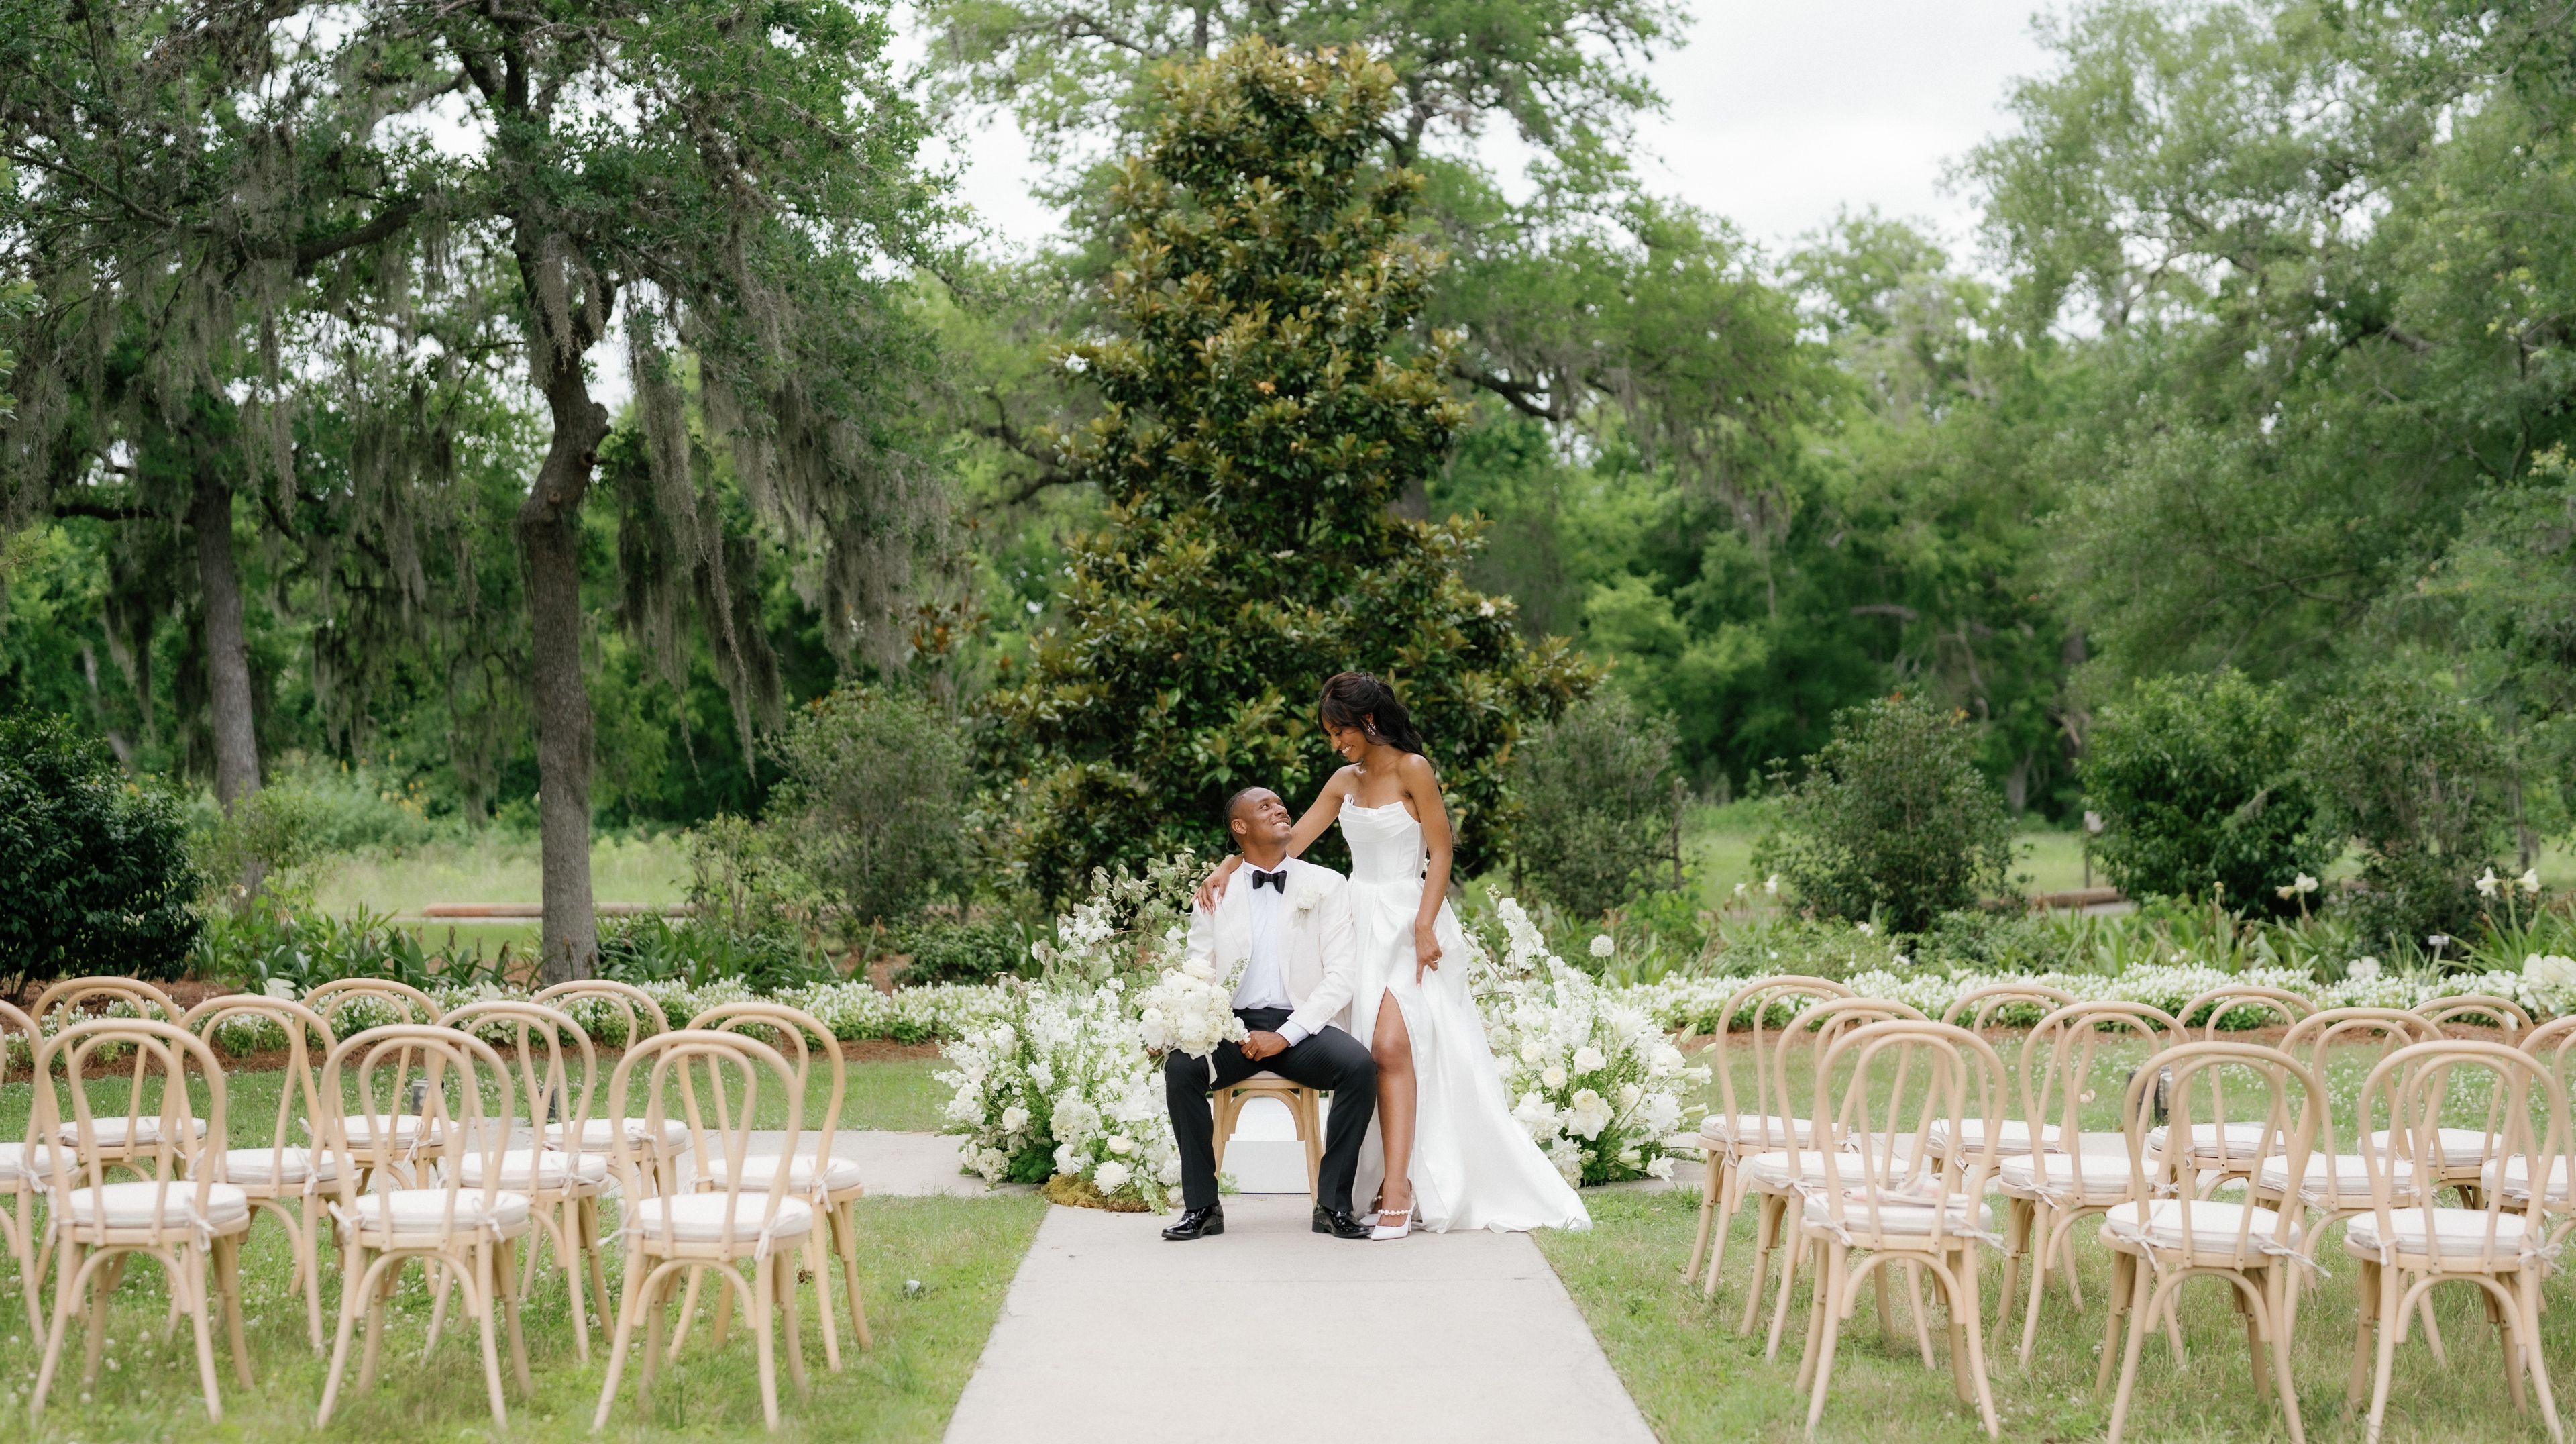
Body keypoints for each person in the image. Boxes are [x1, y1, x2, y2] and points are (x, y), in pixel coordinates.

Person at [1200, 672, 1587, 1239]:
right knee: (1374, 1050)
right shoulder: (1343, 781)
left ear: (1368, 720)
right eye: (1331, 735)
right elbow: (1289, 844)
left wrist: (1425, 924)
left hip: (1409, 917)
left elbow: (1441, 850)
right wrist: (1228, 864)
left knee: (1391, 1044)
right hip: (1358, 920)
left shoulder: (1413, 769)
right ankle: (1384, 1183)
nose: (1336, 744)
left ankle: (1399, 1188)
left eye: (1341, 732)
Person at [1161, 786, 1379, 1242]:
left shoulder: (1326, 884)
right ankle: (1202, 1207)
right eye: (1265, 807)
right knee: (1181, 1068)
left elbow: (1342, 976)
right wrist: (1179, 1025)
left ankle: (1333, 1206)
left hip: (1303, 1027)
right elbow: (1199, 971)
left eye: (1280, 804)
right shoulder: (1215, 892)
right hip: (1233, 1028)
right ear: (1240, 827)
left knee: (1359, 1067)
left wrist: (1286, 1034)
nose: (1280, 809)